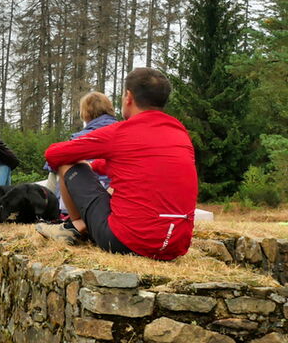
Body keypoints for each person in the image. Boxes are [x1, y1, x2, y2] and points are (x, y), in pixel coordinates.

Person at [39, 68, 198, 260]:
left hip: (125, 242)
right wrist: (97, 166)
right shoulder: (180, 133)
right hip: (175, 245)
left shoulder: (121, 131)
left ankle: (75, 227)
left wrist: (85, 165)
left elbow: (53, 155)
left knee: (68, 163)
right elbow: (138, 166)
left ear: (128, 97)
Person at [50, 91, 120, 205]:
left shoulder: (80, 139)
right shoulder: (125, 133)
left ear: (85, 113)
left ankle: (55, 207)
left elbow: (52, 158)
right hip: (116, 196)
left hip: (85, 202)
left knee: (58, 165)